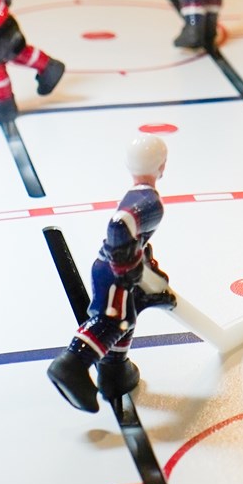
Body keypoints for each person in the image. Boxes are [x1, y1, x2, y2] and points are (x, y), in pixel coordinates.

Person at [47, 134, 175, 412]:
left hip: (110, 267)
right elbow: (119, 226)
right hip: (111, 270)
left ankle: (114, 371)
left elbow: (136, 240)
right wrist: (126, 268)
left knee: (126, 317)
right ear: (162, 166)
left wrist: (147, 270)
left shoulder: (138, 194)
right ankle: (72, 364)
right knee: (114, 320)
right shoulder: (149, 201)